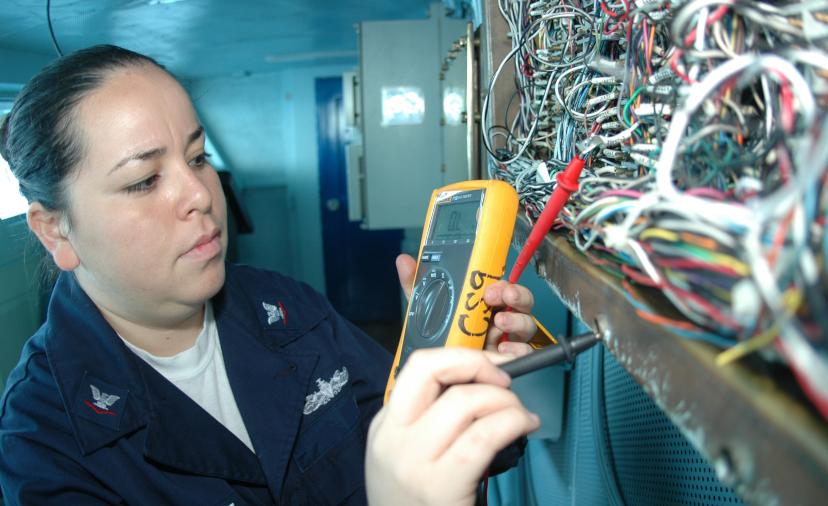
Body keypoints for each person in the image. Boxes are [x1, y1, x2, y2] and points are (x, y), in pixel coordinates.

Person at [0, 45, 542, 505]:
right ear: (55, 232)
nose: (200, 195)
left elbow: (433, 440)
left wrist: (460, 377)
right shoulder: (44, 440)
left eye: (197, 157)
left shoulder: (287, 307)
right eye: (144, 181)